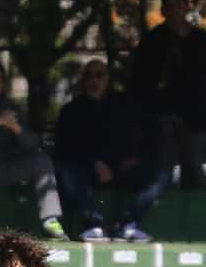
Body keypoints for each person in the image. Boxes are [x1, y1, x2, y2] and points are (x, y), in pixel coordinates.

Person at [54, 58, 164, 242]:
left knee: (159, 173)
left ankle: (128, 224)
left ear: (108, 79)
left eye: (99, 75)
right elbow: (64, 148)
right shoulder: (71, 111)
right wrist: (95, 163)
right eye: (89, 75)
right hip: (87, 169)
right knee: (67, 173)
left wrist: (134, 158)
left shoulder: (125, 106)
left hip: (121, 168)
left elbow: (146, 137)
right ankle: (93, 224)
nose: (94, 80)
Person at [0, 58, 66, 241]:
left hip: (4, 167)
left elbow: (32, 143)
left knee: (41, 160)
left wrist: (17, 128)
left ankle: (51, 219)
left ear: (2, 83)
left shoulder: (12, 107)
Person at [130, 0, 206, 188]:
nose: (171, 12)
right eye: (167, 7)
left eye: (176, 6)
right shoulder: (153, 40)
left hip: (194, 115)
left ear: (185, 7)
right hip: (163, 114)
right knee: (163, 171)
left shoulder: (201, 40)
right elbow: (141, 79)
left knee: (195, 171)